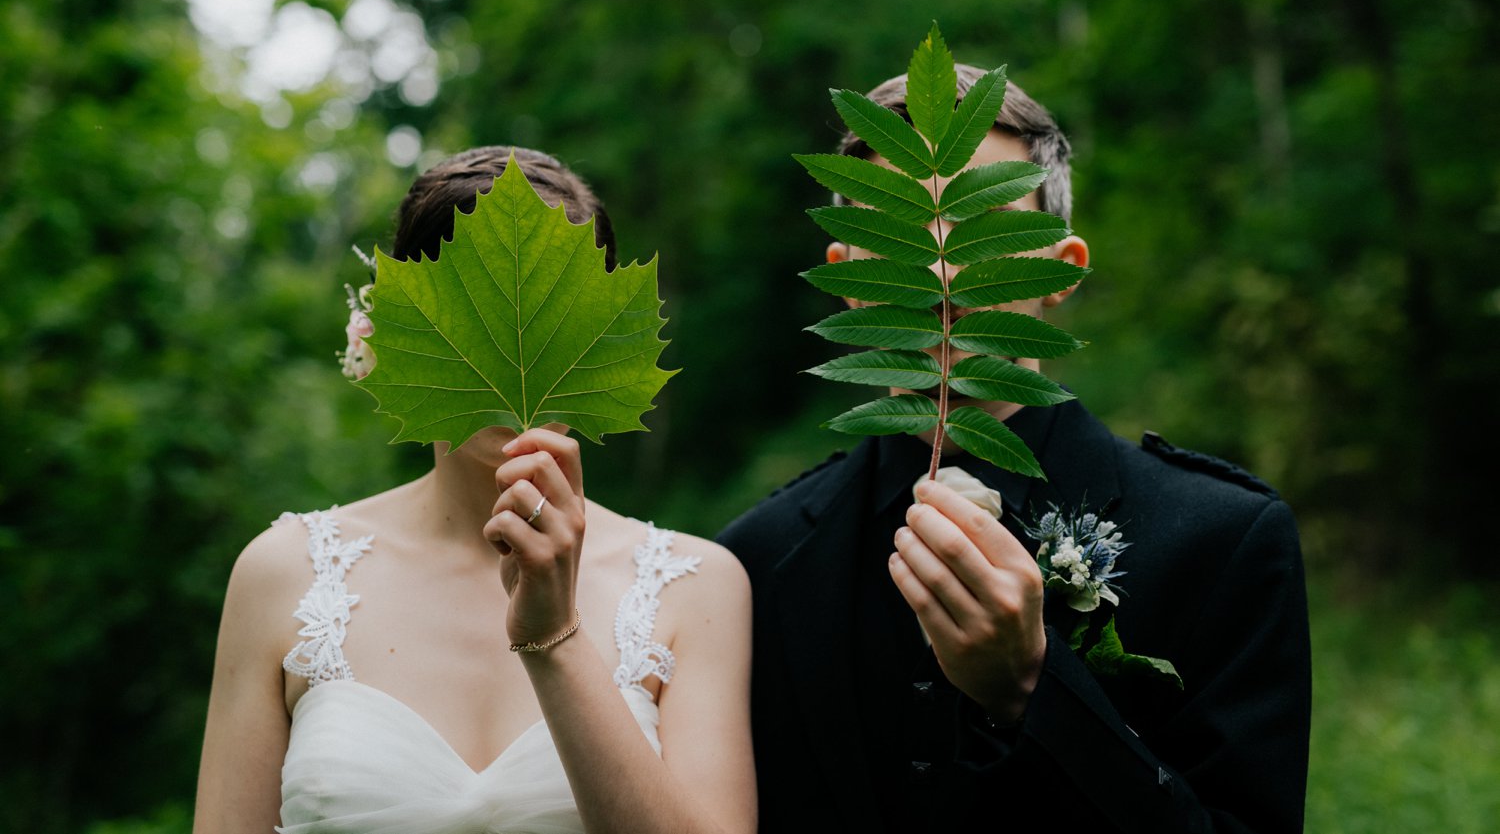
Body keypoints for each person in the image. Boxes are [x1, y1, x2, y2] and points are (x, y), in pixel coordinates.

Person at [718, 68, 1311, 832]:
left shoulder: (1221, 541)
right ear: (848, 277)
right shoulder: (752, 568)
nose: (937, 271)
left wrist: (1033, 685)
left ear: (1061, 270)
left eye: (983, 226)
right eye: (895, 231)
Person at [194, 146, 756, 834]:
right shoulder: (281, 572)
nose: (517, 356)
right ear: (392, 333)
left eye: (561, 317)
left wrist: (556, 640)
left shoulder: (698, 587)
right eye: (470, 316)